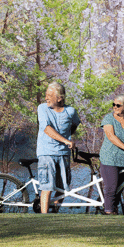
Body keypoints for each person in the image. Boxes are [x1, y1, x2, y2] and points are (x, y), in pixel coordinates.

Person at [37, 81, 80, 213]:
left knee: (63, 187)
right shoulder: (42, 108)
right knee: (47, 186)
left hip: (63, 154)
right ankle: (44, 219)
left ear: (60, 98)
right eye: (46, 95)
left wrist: (67, 140)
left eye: (50, 95)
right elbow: (47, 129)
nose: (46, 98)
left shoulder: (70, 111)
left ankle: (54, 213)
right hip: (46, 152)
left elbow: (74, 124)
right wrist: (66, 141)